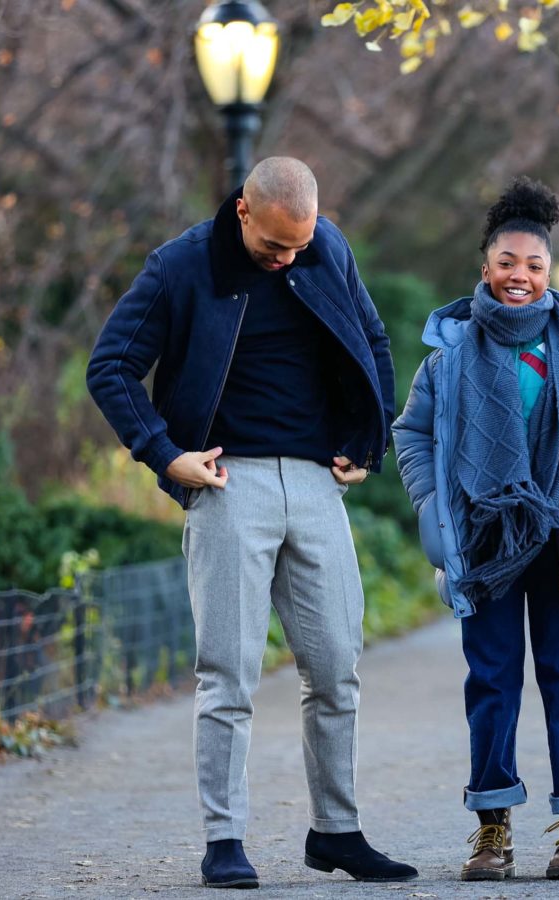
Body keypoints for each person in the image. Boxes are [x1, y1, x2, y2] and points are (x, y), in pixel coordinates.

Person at [86, 157, 417, 888]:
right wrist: (165, 455)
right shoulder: (180, 267)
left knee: (336, 669)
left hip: (314, 482)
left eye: (299, 246)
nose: (289, 258)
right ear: (243, 211)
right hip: (227, 481)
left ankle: (337, 831)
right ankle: (224, 840)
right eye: (275, 246)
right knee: (227, 674)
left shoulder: (327, 248)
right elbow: (109, 367)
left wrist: (367, 444)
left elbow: (375, 342)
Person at [392, 178, 559, 882]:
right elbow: (411, 434)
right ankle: (492, 828)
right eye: (507, 262)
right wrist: (433, 507)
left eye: (534, 266)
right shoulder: (449, 357)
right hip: (483, 546)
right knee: (492, 681)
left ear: (549, 271)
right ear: (485, 267)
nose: (520, 277)